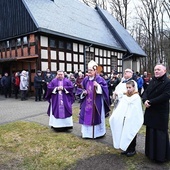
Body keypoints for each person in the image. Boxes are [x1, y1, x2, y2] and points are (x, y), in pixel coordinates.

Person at [142, 64, 170, 163]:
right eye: (155, 70)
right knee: (151, 132)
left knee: (159, 134)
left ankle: (160, 156)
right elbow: (146, 91)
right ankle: (150, 154)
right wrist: (144, 100)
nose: (156, 71)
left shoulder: (167, 82)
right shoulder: (152, 80)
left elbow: (166, 95)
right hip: (150, 111)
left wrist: (151, 102)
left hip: (160, 112)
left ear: (164, 71)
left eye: (158, 69)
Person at [109, 80, 143, 157]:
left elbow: (136, 110)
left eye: (130, 87)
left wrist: (130, 117)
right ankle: (126, 148)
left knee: (131, 133)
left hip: (132, 119)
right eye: (127, 87)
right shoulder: (125, 96)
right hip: (124, 118)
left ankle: (132, 149)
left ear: (134, 87)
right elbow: (122, 107)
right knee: (124, 133)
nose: (128, 89)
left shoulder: (136, 97)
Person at [78, 60, 110, 138]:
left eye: (91, 70)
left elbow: (105, 89)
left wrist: (98, 86)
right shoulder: (85, 79)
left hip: (96, 102)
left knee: (96, 116)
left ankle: (98, 133)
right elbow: (80, 89)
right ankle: (87, 134)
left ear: (95, 70)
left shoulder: (99, 79)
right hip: (87, 102)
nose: (89, 72)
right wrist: (83, 92)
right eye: (88, 70)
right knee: (86, 116)